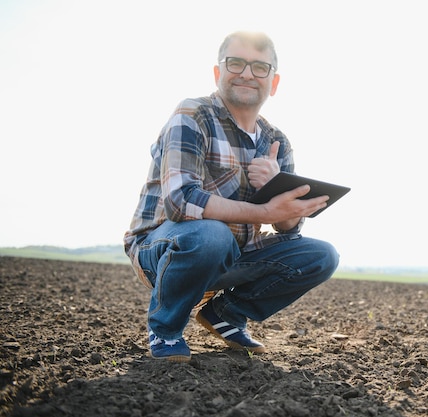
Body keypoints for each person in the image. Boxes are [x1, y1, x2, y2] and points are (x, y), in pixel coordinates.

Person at [123, 31, 339, 362]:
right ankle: (165, 328)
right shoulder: (192, 115)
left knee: (322, 255)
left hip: (234, 254)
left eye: (259, 67)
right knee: (212, 234)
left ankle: (225, 314)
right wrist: (265, 211)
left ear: (274, 82)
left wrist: (276, 184)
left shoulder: (276, 140)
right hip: (167, 249)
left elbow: (288, 229)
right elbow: (181, 202)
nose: (247, 74)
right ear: (217, 73)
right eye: (236, 63)